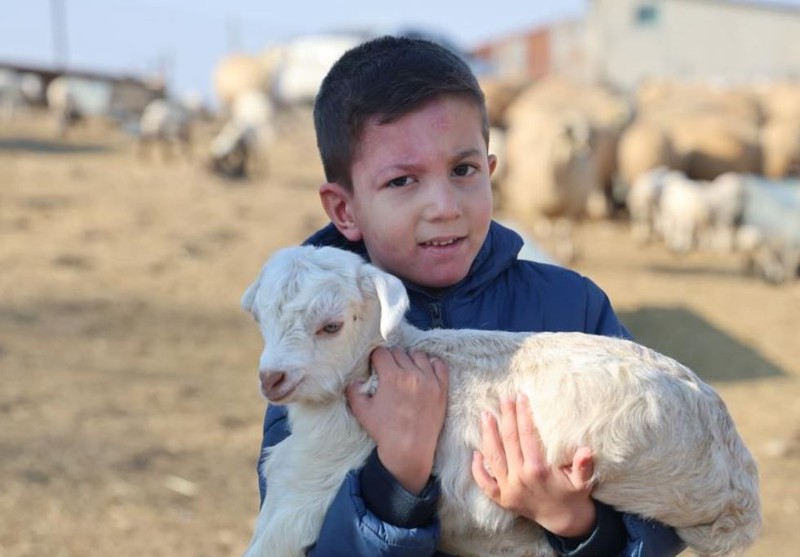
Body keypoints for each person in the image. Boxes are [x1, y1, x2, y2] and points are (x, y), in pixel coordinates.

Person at [257, 35, 686, 556]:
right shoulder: (320, 346)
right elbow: (298, 538)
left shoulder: (573, 309)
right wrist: (398, 475)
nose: (443, 206)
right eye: (402, 181)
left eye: (463, 170)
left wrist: (574, 520)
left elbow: (661, 499)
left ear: (491, 171)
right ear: (344, 210)